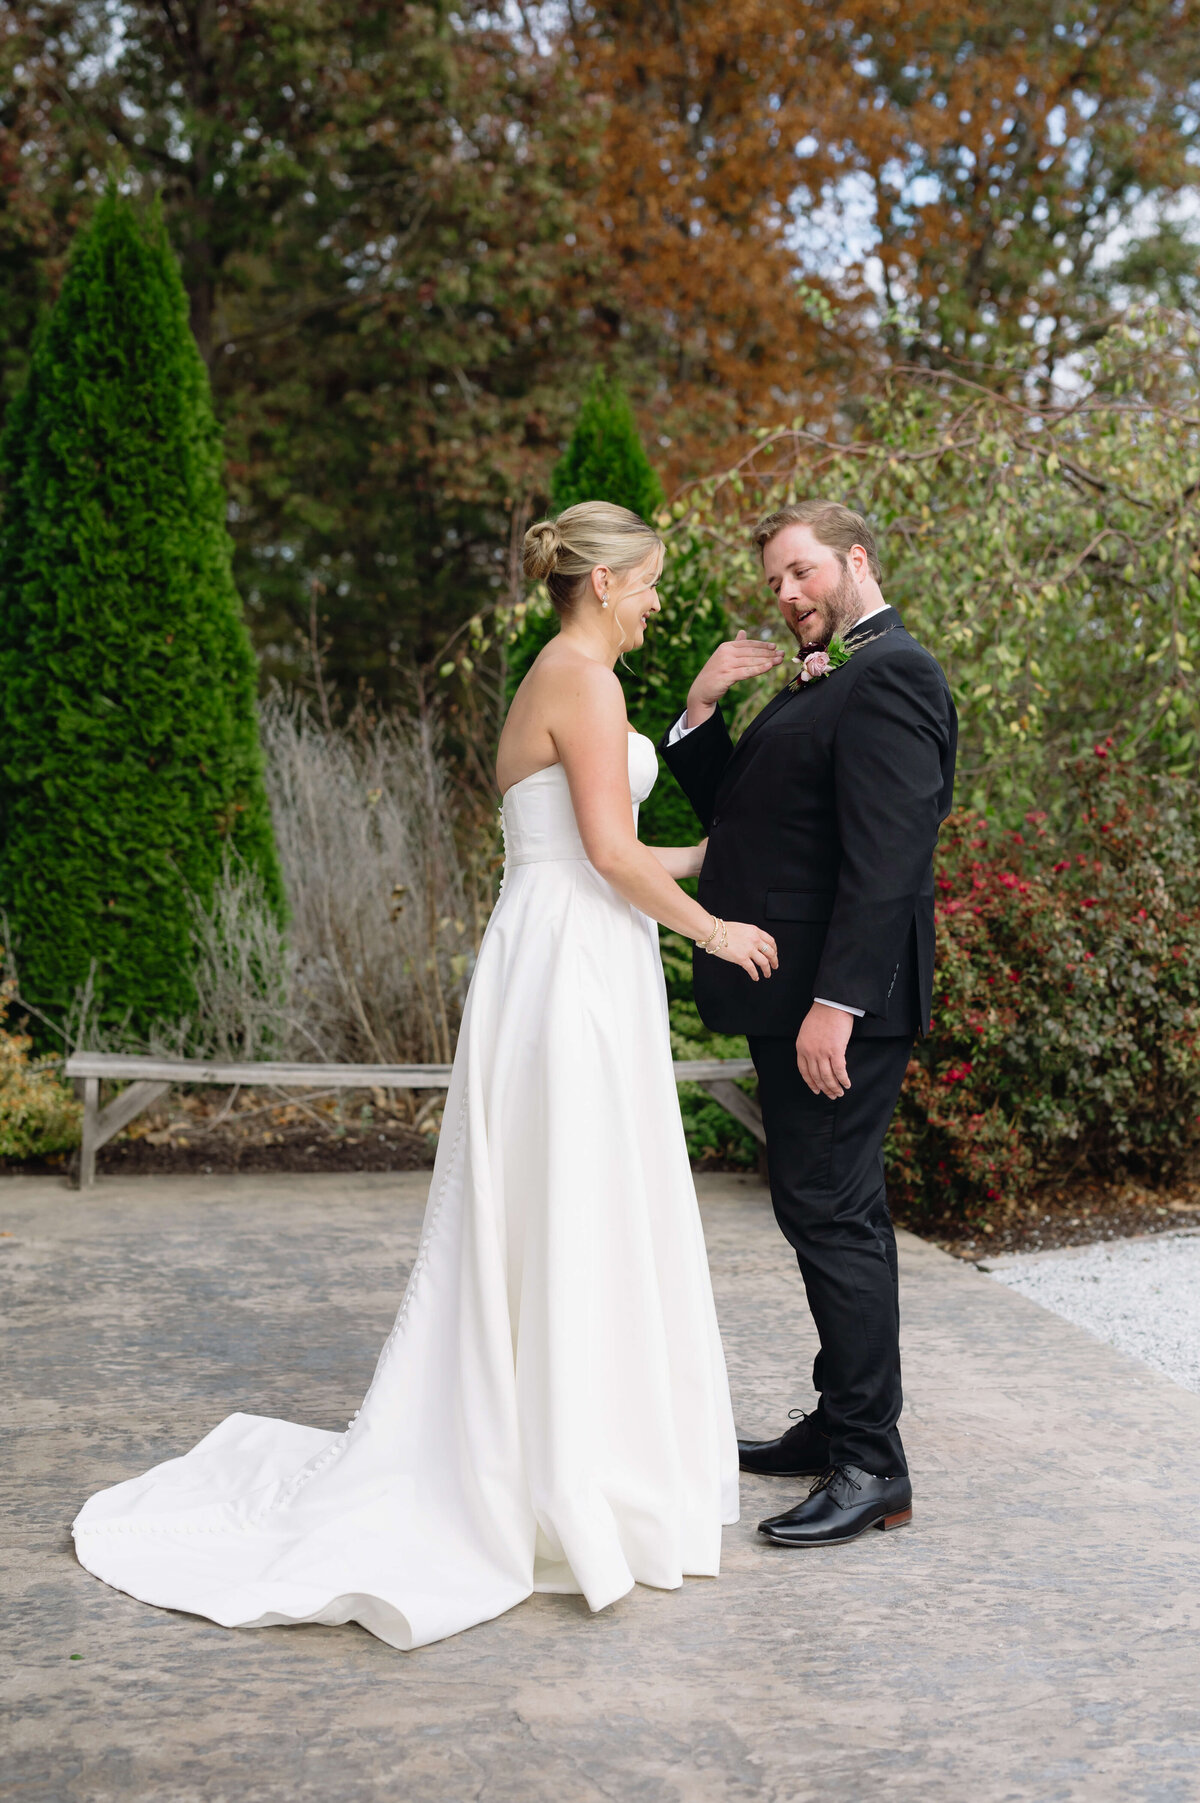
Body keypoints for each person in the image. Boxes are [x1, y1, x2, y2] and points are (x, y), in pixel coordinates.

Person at [73, 501, 778, 1650]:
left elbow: (610, 841)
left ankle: (569, 1438)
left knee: (577, 1197)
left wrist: (734, 841)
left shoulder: (565, 676)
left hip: (564, 944)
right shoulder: (583, 683)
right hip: (570, 963)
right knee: (573, 1196)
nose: (657, 600)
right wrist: (713, 929)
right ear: (604, 585)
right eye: (648, 581)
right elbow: (607, 854)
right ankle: (556, 1464)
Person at [660, 500, 957, 1547]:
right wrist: (699, 713)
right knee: (826, 1208)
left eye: (802, 573)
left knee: (829, 1212)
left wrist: (838, 1005)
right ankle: (843, 1423)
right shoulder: (829, 676)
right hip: (795, 999)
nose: (787, 597)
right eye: (776, 582)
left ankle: (873, 1464)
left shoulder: (895, 675)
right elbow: (747, 815)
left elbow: (889, 862)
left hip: (837, 1006)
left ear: (856, 560)